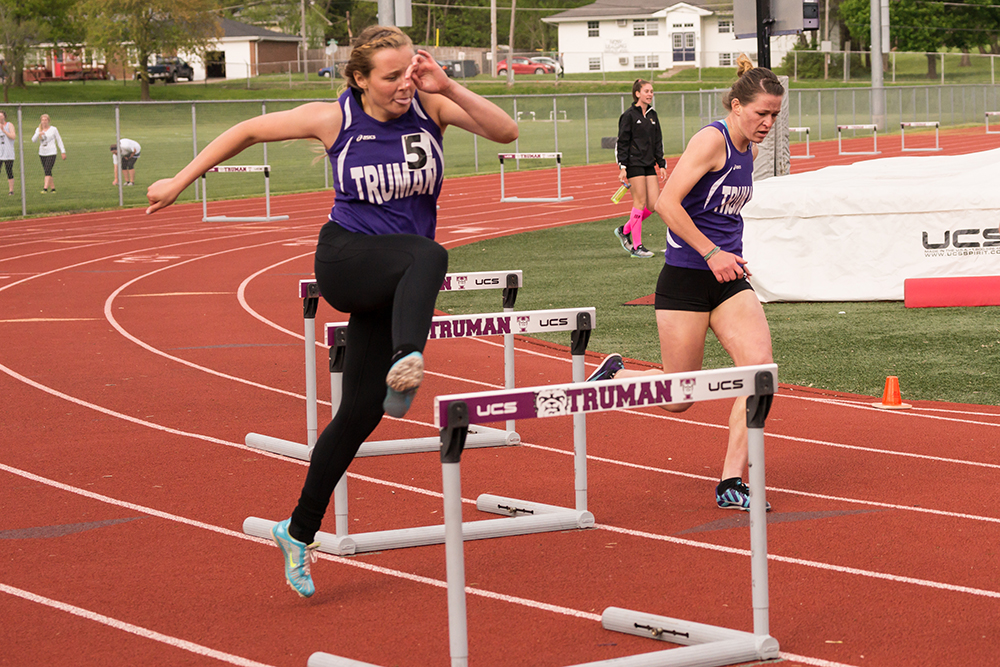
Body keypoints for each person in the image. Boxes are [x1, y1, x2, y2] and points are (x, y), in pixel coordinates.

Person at [146, 25, 518, 598]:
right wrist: (180, 180)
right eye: (391, 77)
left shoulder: (432, 107)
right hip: (347, 259)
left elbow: (506, 132)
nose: (404, 85)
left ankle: (297, 531)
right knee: (431, 255)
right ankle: (408, 358)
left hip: (396, 277)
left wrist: (447, 86)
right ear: (360, 79)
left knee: (359, 414)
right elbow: (247, 130)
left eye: (410, 72)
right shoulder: (335, 118)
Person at [588, 54, 783, 512]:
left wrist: (726, 256)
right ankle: (618, 374)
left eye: (775, 115)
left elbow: (722, 213)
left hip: (728, 280)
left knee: (760, 372)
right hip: (687, 278)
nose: (769, 123)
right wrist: (711, 252)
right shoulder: (711, 141)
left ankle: (732, 480)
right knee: (679, 398)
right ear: (737, 106)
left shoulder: (750, 153)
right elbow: (667, 203)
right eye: (762, 113)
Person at [613, 79, 666, 259]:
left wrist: (661, 163)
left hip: (649, 164)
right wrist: (623, 167)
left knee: (654, 204)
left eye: (651, 91)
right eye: (646, 91)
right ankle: (637, 246)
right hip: (633, 163)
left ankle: (624, 230)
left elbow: (657, 141)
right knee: (640, 202)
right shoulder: (628, 116)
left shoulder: (653, 115)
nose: (650, 94)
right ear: (637, 94)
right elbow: (622, 143)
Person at [31, 114, 66, 194]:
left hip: (51, 152)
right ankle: (53, 189)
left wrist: (63, 151)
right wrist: (38, 133)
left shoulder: (53, 129)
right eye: (43, 120)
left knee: (47, 169)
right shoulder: (38, 129)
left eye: (46, 120)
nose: (44, 122)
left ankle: (45, 188)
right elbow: (33, 140)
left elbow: (59, 140)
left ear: (48, 121)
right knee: (48, 171)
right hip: (42, 153)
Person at [0, 111, 15, 196]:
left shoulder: (9, 125)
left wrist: (4, 131)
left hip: (8, 153)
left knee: (9, 171)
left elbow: (13, 136)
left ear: (4, 117)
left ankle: (11, 191)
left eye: (1, 116)